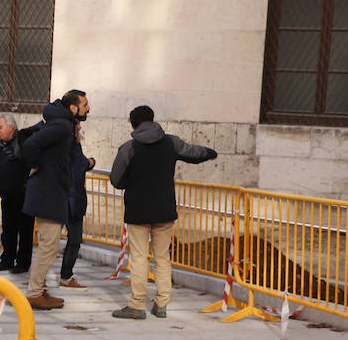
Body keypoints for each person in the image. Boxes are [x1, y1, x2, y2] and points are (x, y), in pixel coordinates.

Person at [109, 105, 218, 319]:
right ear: (152, 119)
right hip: (164, 209)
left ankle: (137, 305)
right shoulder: (172, 142)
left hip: (138, 210)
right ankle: (161, 304)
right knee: (162, 257)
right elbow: (194, 153)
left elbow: (116, 180)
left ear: (133, 124)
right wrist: (211, 153)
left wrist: (132, 182)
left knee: (139, 257)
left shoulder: (128, 148)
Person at [21, 89, 90, 310]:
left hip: (50, 192)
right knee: (49, 246)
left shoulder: (63, 125)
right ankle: (34, 293)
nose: (88, 108)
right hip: (48, 194)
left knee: (48, 245)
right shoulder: (62, 126)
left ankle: (39, 289)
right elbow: (31, 145)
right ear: (73, 108)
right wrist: (35, 165)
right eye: (85, 104)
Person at [0, 114, 33, 275]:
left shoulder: (22, 142)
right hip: (7, 195)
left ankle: (23, 262)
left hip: (23, 195)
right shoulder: (3, 144)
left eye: (0, 127)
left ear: (11, 127)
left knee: (25, 230)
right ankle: (7, 259)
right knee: (7, 229)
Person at [59, 119, 97, 288]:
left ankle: (65, 276)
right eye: (77, 124)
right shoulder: (68, 146)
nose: (80, 127)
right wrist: (91, 162)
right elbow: (79, 165)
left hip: (72, 200)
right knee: (60, 242)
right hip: (67, 200)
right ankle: (60, 277)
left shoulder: (73, 144)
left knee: (73, 240)